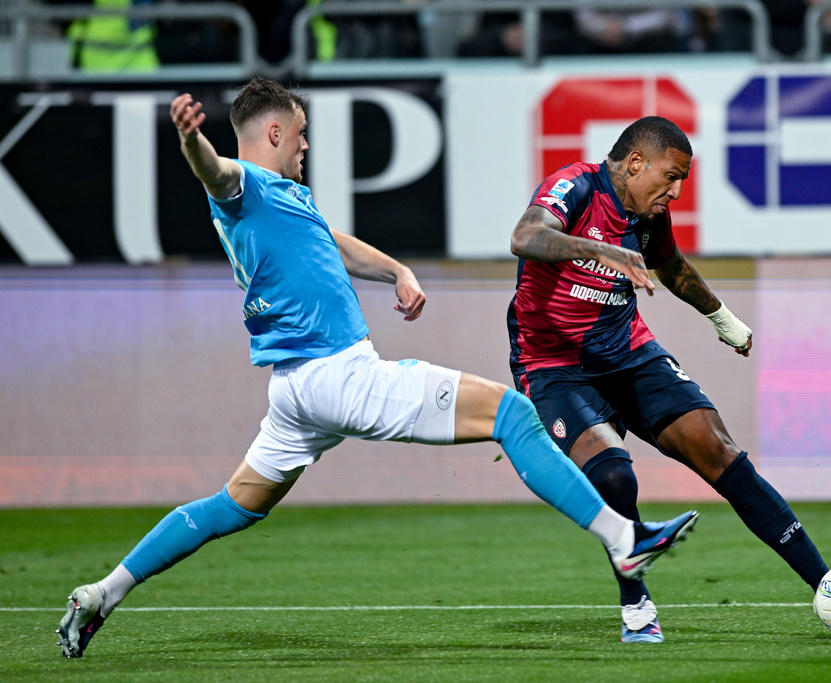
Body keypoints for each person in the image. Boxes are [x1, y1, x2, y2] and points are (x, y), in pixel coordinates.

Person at [55, 78, 699, 659]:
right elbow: (216, 174)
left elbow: (331, 243)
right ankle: (622, 537)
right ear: (274, 133)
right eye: (301, 135)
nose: (306, 146)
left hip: (295, 393)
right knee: (512, 412)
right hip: (338, 376)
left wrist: (396, 268)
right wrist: (193, 142)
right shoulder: (245, 185)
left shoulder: (284, 199)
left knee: (235, 505)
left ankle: (103, 592)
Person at [506, 116, 831, 643]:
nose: (674, 192)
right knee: (615, 479)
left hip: (630, 355)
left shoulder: (646, 217)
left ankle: (830, 588)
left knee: (723, 455)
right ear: (635, 163)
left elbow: (670, 267)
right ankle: (637, 608)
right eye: (670, 178)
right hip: (554, 367)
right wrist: (601, 250)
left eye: (682, 182)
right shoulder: (575, 186)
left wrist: (721, 318)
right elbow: (526, 236)